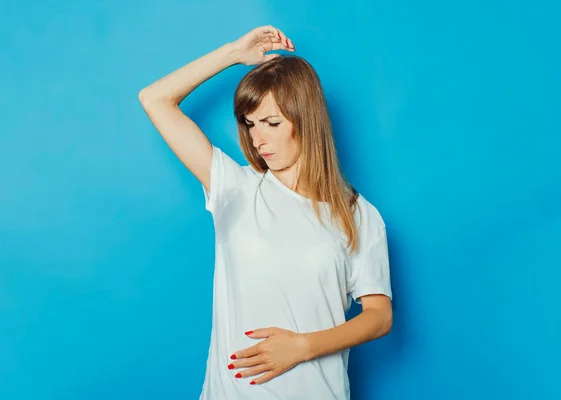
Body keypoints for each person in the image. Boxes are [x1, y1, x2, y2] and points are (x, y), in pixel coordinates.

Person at [138, 25, 393, 400]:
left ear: (305, 120)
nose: (259, 139)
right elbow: (154, 98)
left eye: (272, 123)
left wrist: (303, 347)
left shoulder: (357, 214)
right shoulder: (234, 188)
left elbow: (379, 316)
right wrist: (232, 53)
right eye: (251, 124)